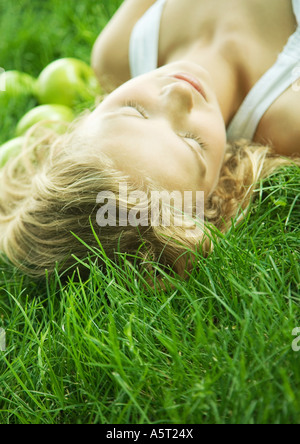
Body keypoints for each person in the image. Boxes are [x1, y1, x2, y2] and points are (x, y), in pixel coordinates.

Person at [0, 0, 299, 283]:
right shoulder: (286, 120)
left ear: (78, 127)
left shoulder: (117, 54)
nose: (179, 95)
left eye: (134, 110)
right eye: (193, 143)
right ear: (215, 196)